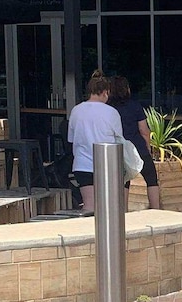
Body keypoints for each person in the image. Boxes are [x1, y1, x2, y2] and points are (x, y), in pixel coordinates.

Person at [67, 70, 124, 212]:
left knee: (89, 206)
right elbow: (119, 141)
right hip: (107, 165)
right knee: (110, 209)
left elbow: (71, 139)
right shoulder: (111, 112)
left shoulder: (76, 110)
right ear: (105, 92)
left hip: (82, 164)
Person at [108, 76, 160, 210]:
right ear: (127, 89)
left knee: (124, 181)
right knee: (151, 178)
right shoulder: (135, 105)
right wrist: (148, 147)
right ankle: (156, 210)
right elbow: (144, 130)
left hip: (118, 148)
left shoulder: (108, 108)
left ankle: (123, 213)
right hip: (137, 146)